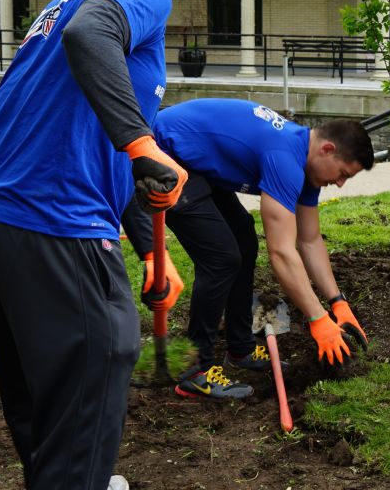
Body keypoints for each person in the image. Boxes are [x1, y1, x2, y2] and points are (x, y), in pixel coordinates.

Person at [0, 0, 189, 490]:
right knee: (103, 354)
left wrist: (149, 250)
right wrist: (144, 146)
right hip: (52, 215)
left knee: (46, 386)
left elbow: (95, 142)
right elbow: (91, 37)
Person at [134, 98, 375, 399]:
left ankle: (240, 348)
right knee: (221, 258)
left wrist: (337, 303)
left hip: (197, 162)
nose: (339, 184)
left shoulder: (306, 163)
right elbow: (282, 253)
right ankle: (194, 372)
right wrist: (317, 318)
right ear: (327, 149)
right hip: (161, 154)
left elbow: (310, 240)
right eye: (342, 174)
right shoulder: (284, 157)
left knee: (244, 241)